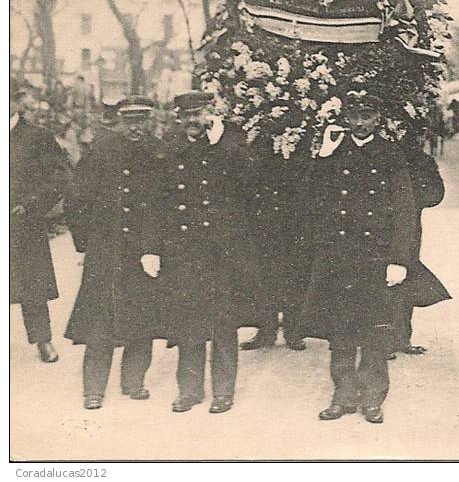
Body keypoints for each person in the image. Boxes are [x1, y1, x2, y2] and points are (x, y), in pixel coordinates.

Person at [300, 93, 418, 424]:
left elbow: (405, 210)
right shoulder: (334, 152)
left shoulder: (391, 154)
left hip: (376, 256)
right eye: (355, 116)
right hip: (339, 255)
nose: (361, 122)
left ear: (378, 118)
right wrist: (323, 154)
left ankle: (372, 397)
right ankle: (343, 394)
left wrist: (399, 259)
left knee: (375, 331)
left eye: (367, 115)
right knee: (340, 330)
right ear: (346, 118)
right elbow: (312, 197)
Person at [161, 91, 261, 414]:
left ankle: (223, 391)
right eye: (186, 116)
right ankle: (189, 390)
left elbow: (251, 181)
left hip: (222, 249)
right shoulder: (171, 145)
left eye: (198, 114)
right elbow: (159, 199)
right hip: (185, 249)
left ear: (210, 113)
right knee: (188, 320)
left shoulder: (229, 140)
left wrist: (221, 142)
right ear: (179, 118)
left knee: (222, 321)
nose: (193, 122)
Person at [63, 96, 166, 409]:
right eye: (129, 120)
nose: (135, 127)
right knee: (100, 323)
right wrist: (86, 242)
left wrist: (155, 247)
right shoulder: (102, 150)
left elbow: (165, 207)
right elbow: (76, 199)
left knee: (142, 319)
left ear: (149, 120)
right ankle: (93, 390)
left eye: (141, 120)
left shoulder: (158, 152)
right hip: (106, 251)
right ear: (120, 120)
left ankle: (134, 381)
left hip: (143, 253)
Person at [10, 81, 69, 363]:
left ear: (19, 103)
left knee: (31, 286)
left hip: (24, 223)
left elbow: (59, 176)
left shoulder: (36, 137)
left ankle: (42, 340)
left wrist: (32, 205)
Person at [390, 127, 451, 357]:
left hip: (408, 227)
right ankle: (383, 339)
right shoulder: (387, 155)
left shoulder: (421, 160)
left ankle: (399, 338)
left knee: (403, 276)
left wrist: (409, 203)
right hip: (383, 226)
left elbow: (436, 193)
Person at [240, 155, 309, 352]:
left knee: (293, 274)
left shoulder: (303, 131)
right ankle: (266, 330)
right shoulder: (259, 132)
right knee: (264, 274)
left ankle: (293, 331)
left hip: (293, 213)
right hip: (264, 211)